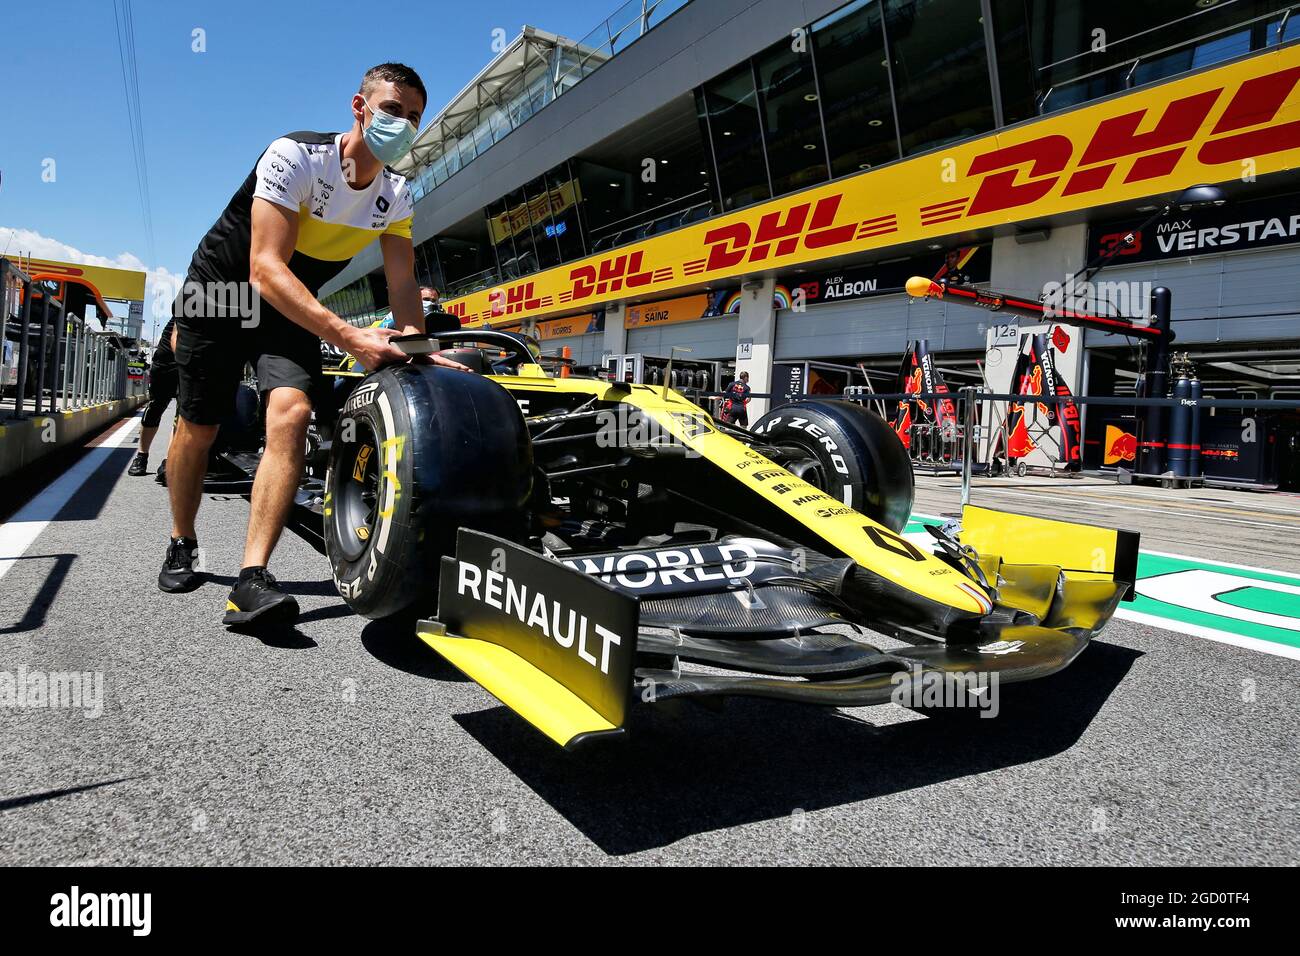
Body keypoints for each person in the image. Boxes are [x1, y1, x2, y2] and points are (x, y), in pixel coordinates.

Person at [158, 62, 468, 629]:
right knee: (199, 429)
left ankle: (251, 579)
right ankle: (181, 539)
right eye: (393, 109)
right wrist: (349, 336)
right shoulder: (295, 156)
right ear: (360, 106)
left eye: (414, 117)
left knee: (293, 413)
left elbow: (402, 285)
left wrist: (421, 350)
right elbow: (264, 269)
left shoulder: (396, 195)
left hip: (289, 303)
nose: (403, 124)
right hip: (223, 291)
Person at [128, 317, 179, 476]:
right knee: (156, 405)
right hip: (168, 357)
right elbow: (176, 337)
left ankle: (169, 461)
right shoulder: (191, 299)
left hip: (194, 359)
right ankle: (141, 456)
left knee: (184, 411)